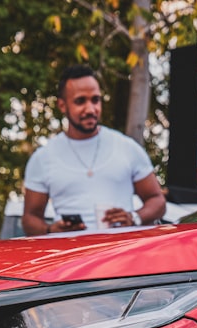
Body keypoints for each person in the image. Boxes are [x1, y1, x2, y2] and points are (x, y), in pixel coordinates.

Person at [21, 65, 166, 235]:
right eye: (80, 101)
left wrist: (134, 218)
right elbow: (30, 218)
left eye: (95, 100)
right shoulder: (43, 158)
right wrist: (50, 229)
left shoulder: (127, 147)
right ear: (62, 105)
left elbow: (157, 201)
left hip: (121, 255)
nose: (90, 109)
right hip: (73, 257)